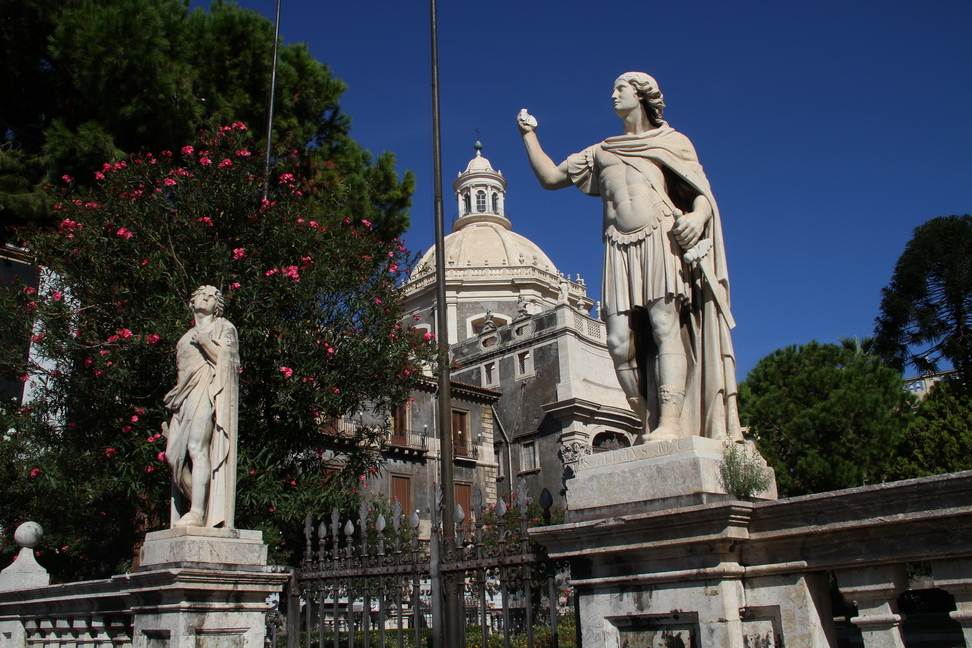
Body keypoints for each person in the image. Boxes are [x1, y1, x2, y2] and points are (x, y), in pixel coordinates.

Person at [517, 72, 740, 443]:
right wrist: (529, 135)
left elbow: (701, 193)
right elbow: (551, 178)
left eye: (621, 89)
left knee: (664, 326)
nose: (613, 95)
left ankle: (670, 421)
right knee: (619, 340)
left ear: (641, 96)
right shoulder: (601, 151)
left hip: (661, 236)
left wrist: (698, 218)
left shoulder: (672, 142)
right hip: (617, 246)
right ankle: (646, 417)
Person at [162, 285, 239, 527]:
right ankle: (203, 503)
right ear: (191, 302)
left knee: (197, 448)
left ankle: (196, 512)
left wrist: (206, 342)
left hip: (205, 391)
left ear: (217, 306)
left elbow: (230, 362)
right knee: (172, 456)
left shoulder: (223, 327)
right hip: (181, 399)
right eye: (200, 295)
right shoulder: (185, 336)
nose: (205, 298)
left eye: (211, 297)